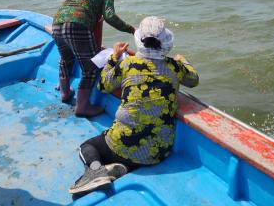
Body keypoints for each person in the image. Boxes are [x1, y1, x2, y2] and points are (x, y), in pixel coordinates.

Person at [69, 17, 199, 195]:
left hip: (122, 144)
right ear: (164, 44)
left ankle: (96, 171)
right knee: (130, 149)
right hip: (159, 152)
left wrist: (113, 58)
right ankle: (123, 166)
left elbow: (104, 85)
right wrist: (181, 59)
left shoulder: (127, 64)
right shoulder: (175, 67)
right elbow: (193, 80)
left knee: (87, 147)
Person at [52, 0, 135, 117]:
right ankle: (82, 107)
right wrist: (131, 29)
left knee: (66, 60)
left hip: (56, 25)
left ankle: (65, 93)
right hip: (77, 26)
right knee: (90, 68)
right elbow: (110, 17)